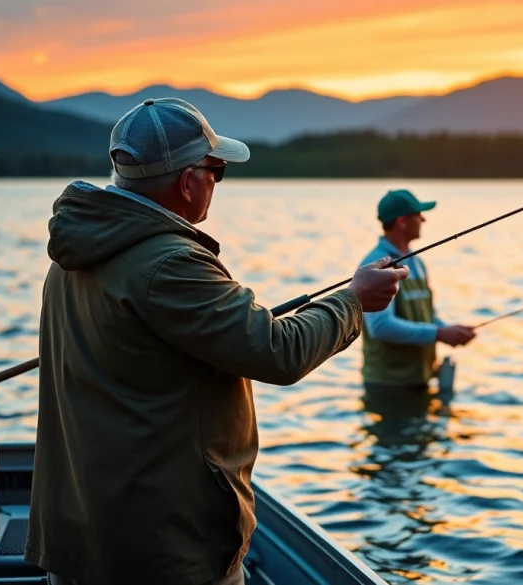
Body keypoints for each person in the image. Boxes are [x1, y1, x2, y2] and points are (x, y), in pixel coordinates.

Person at [26, 97, 409, 585]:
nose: (216, 182)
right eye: (216, 170)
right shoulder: (170, 264)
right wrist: (353, 301)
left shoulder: (72, 255)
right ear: (188, 182)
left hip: (82, 537)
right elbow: (278, 352)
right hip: (161, 550)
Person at [358, 189, 476, 391]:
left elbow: (427, 315)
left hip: (421, 378)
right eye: (418, 215)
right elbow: (380, 327)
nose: (424, 219)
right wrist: (439, 334)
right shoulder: (375, 265)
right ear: (403, 221)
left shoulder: (417, 262)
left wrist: (449, 331)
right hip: (387, 385)